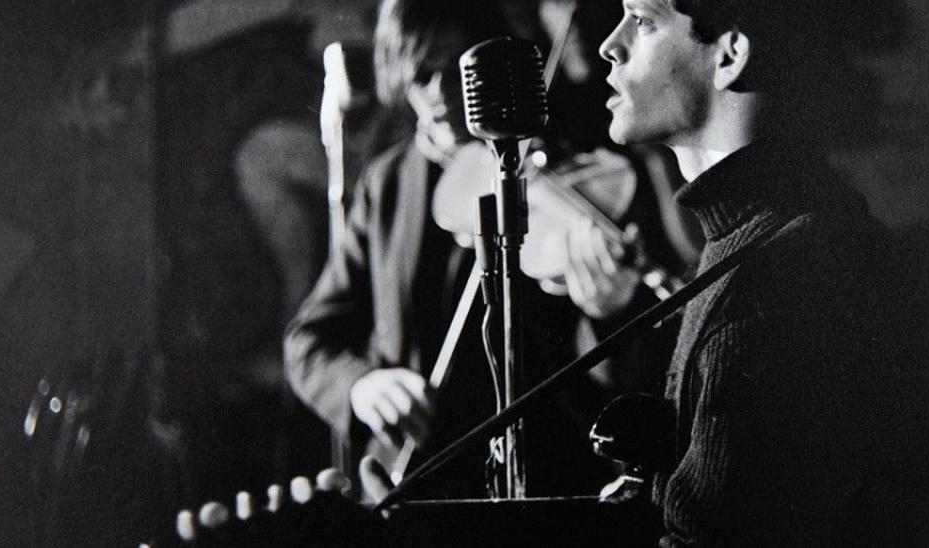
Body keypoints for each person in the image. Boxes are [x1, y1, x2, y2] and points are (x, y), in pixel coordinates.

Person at [284, 0, 693, 500]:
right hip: (412, 487)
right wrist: (361, 386)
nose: (438, 94)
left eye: (456, 70)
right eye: (420, 75)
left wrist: (608, 314)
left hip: (538, 491)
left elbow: (611, 385)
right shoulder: (386, 184)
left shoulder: (545, 170)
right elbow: (309, 340)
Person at [596, 0, 929, 545]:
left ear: (730, 55)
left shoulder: (772, 283)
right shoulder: (760, 234)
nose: (609, 46)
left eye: (641, 22)